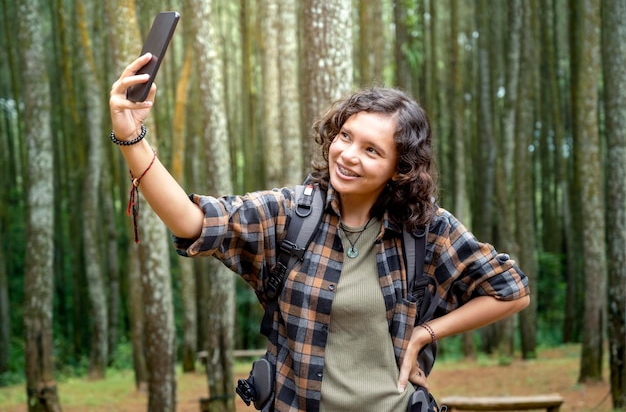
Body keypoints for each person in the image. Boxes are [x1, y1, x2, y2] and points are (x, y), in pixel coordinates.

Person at [109, 53, 530, 412]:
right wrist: (131, 137)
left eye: (371, 150)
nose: (347, 155)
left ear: (400, 168)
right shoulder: (290, 215)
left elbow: (511, 291)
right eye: (345, 136)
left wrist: (426, 332)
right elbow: (192, 221)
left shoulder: (427, 230)